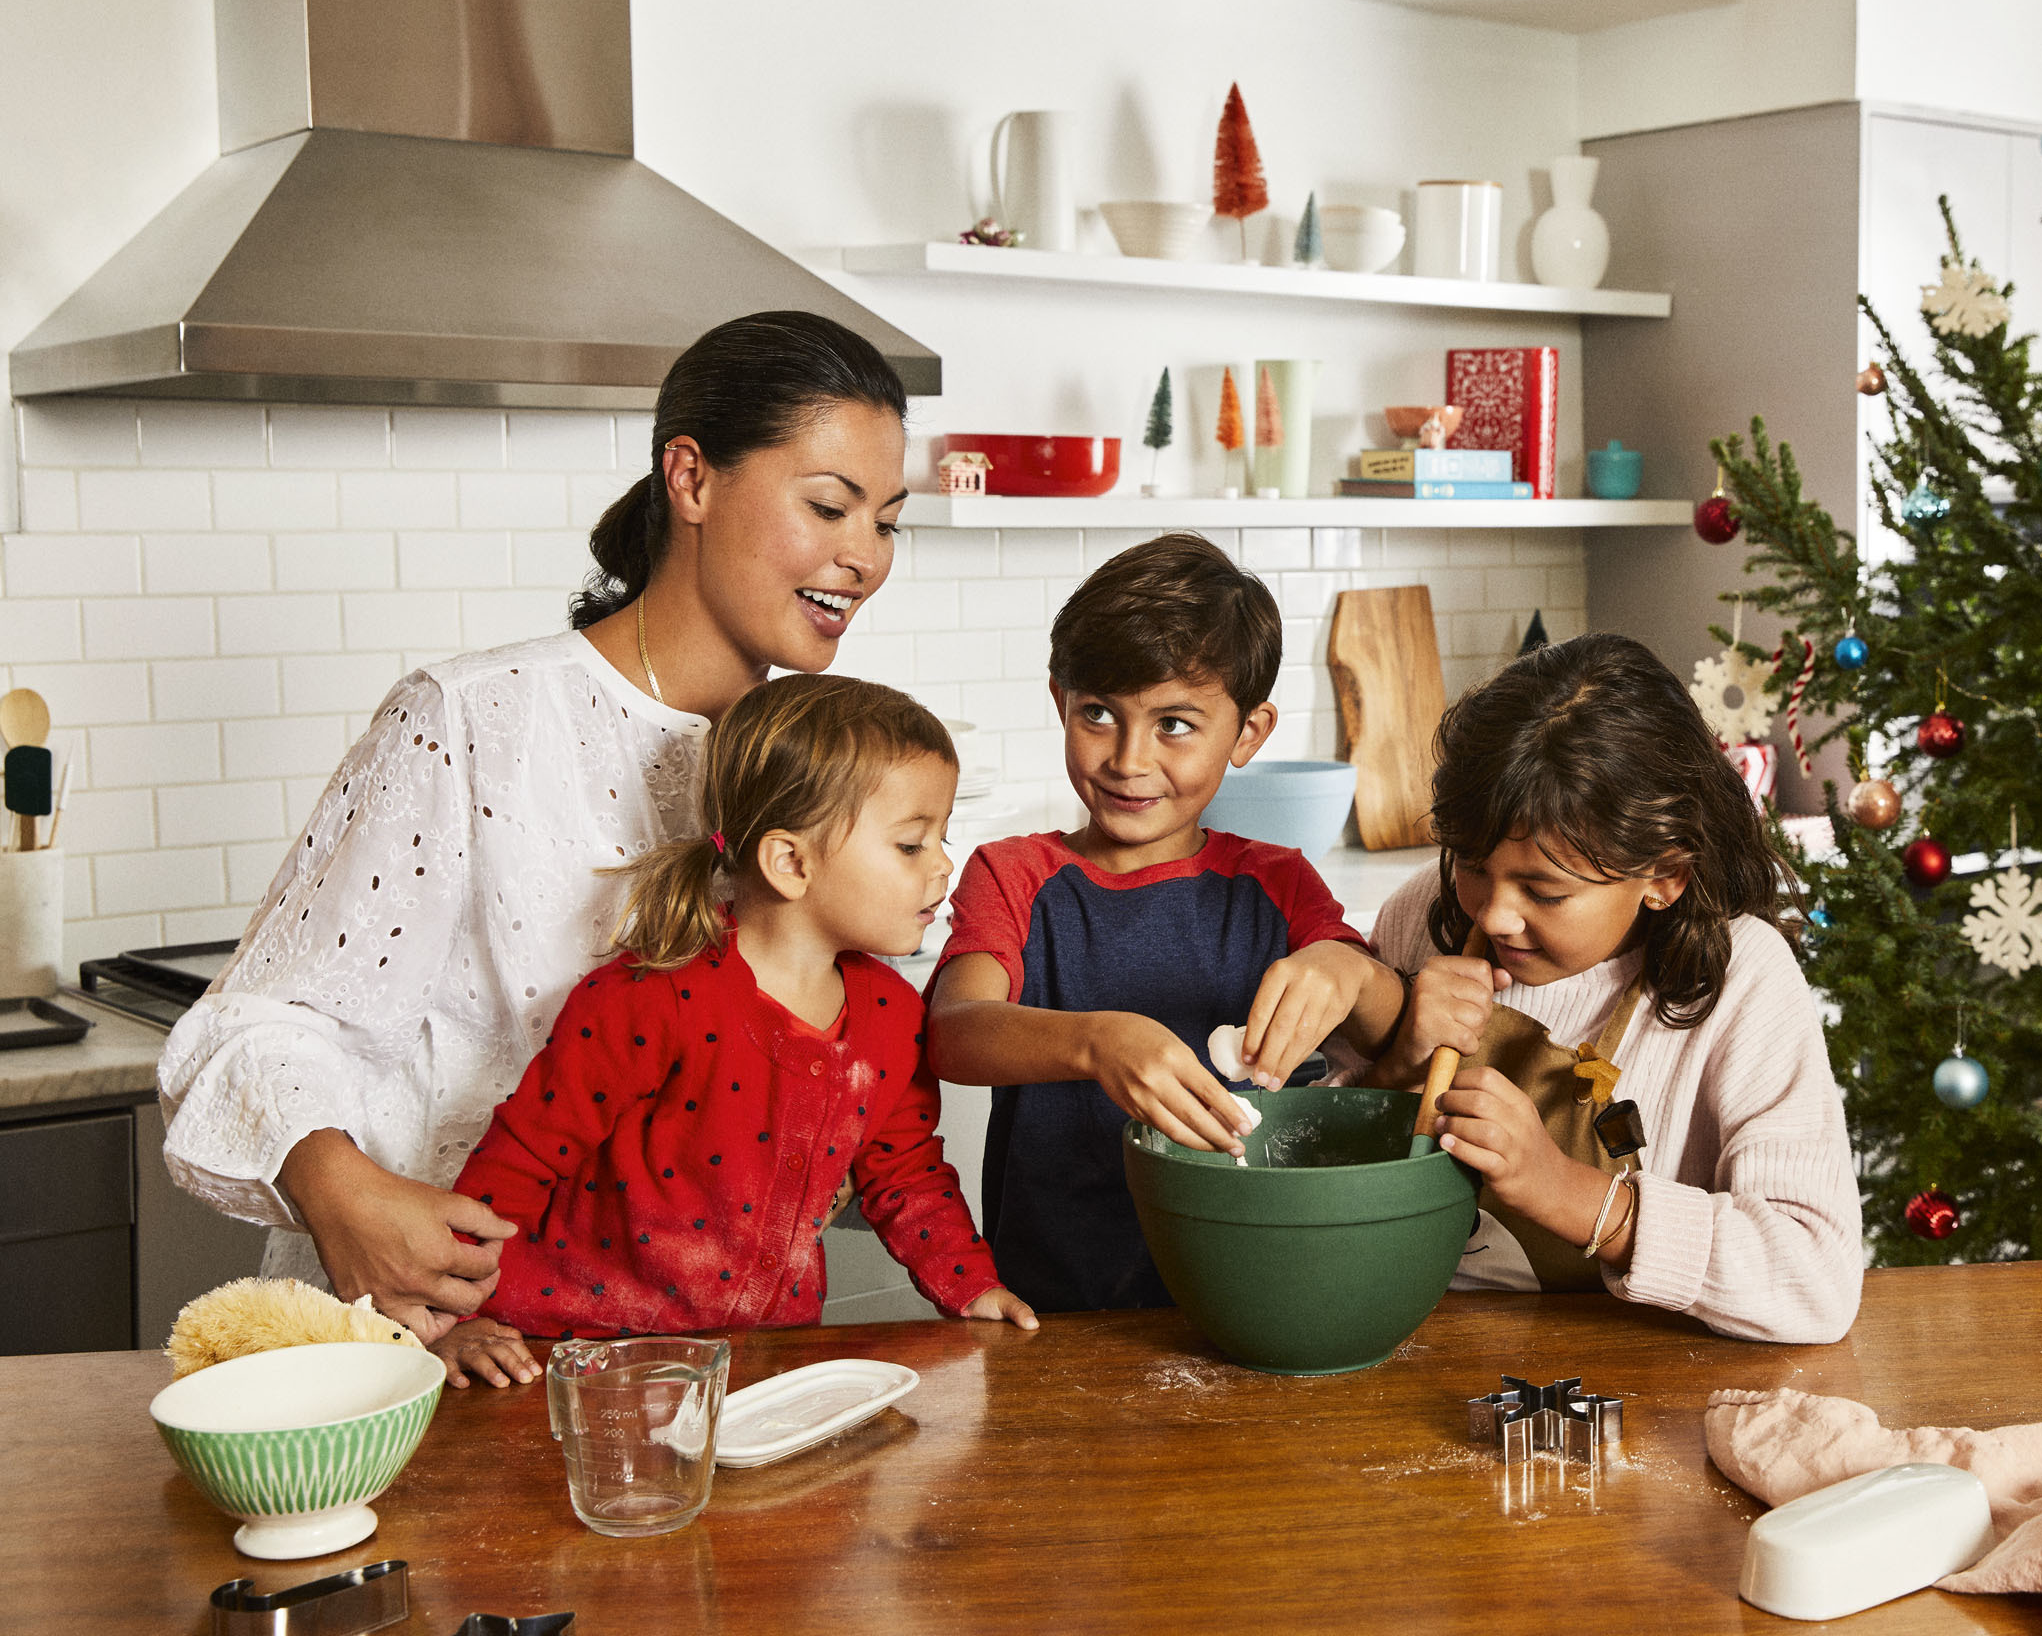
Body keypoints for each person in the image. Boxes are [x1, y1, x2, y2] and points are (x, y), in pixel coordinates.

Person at [158, 311, 914, 1342]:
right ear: (689, 479)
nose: (862, 556)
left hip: (687, 1360)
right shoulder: (470, 721)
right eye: (829, 505)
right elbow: (257, 1026)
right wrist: (343, 1197)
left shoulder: (804, 766)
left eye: (886, 522)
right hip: (436, 1341)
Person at [432, 676, 1035, 1388]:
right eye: (910, 844)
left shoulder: (894, 1016)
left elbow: (907, 1175)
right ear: (790, 862)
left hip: (758, 1363)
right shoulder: (646, 999)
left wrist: (971, 1287)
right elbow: (521, 1159)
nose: (942, 865)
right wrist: (455, 1315)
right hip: (565, 1353)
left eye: (942, 837)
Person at [1334, 632, 1864, 1344]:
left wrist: (1574, 1197)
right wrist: (1392, 1066)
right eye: (1471, 864)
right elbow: (1318, 1177)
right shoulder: (1418, 919)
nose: (1492, 915)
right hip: (1418, 1354)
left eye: (1545, 892)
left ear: (1664, 875)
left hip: (1636, 1390)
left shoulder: (1743, 980)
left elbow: (1816, 1281)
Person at [928, 534, 1404, 1312]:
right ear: (1059, 701)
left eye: (1174, 724)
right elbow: (954, 1031)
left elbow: (1391, 1036)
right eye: (1097, 714)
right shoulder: (1013, 874)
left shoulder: (1276, 882)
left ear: (1248, 733)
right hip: (1054, 1307)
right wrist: (1094, 1041)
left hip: (1248, 1293)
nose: (1127, 758)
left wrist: (1350, 972)